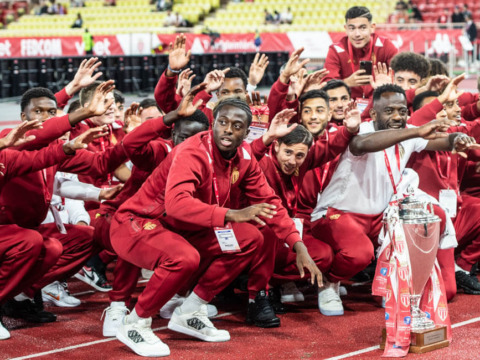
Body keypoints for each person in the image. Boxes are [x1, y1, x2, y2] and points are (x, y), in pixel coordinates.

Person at [110, 97, 320, 356]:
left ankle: (190, 311)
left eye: (237, 125)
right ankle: (135, 322)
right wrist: (232, 214)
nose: (228, 130)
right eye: (222, 122)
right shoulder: (192, 151)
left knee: (251, 237)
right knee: (184, 257)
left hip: (179, 227)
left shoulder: (244, 158)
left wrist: (298, 245)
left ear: (247, 131)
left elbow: (271, 204)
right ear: (213, 124)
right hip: (138, 222)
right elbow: (177, 204)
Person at [309, 84, 478, 315]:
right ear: (374, 114)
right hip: (338, 214)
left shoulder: (408, 132)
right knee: (360, 253)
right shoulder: (361, 130)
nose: (398, 117)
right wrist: (416, 131)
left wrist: (456, 138)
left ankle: (390, 285)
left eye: (401, 111)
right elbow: (362, 145)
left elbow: (440, 141)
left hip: (378, 216)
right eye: (389, 111)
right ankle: (329, 284)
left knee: (415, 224)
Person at [323, 6, 398, 100]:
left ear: (372, 27)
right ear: (346, 28)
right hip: (347, 106)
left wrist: (389, 85)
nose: (357, 34)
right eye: (352, 28)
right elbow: (326, 86)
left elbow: (402, 76)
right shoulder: (336, 50)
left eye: (362, 28)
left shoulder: (385, 45)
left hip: (380, 101)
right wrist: (346, 83)